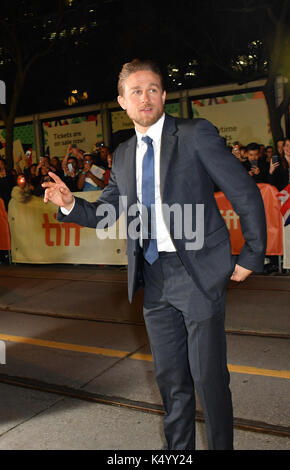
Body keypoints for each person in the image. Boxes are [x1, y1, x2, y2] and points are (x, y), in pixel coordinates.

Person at [42, 59, 267, 450]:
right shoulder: (124, 153)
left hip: (197, 273)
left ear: (163, 95)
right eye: (135, 91)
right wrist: (68, 204)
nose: (144, 97)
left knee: (209, 380)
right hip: (152, 277)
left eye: (152, 89)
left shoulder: (194, 134)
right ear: (122, 102)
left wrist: (252, 253)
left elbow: (243, 191)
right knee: (172, 381)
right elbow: (107, 210)